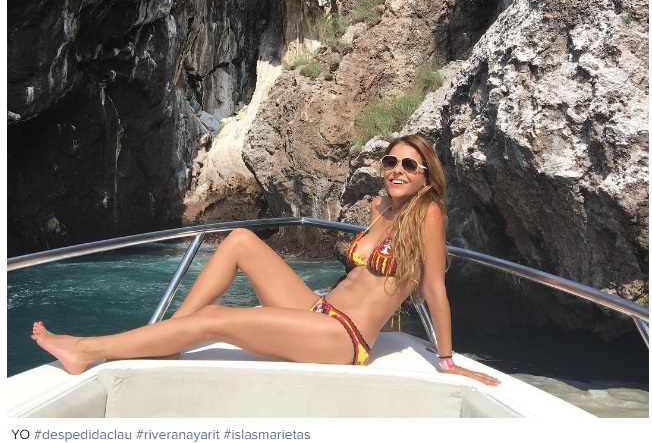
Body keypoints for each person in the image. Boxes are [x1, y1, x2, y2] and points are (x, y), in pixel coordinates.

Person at [32, 134, 500, 386]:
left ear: (426, 177)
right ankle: (171, 336)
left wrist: (447, 361)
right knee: (239, 239)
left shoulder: (428, 214)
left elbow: (434, 289)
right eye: (391, 162)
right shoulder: (382, 207)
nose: (397, 170)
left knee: (217, 319)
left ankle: (88, 349)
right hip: (320, 310)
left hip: (345, 338)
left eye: (409, 165)